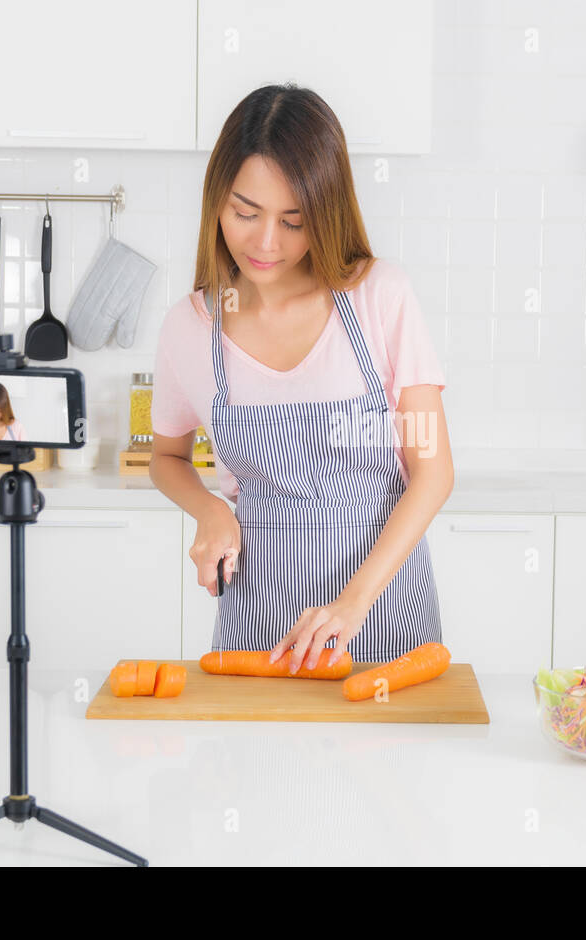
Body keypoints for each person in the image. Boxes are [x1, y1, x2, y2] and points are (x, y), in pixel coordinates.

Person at [149, 83, 453, 673]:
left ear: (326, 211)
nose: (265, 243)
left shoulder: (378, 298)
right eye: (245, 212)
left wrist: (351, 604)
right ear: (217, 199)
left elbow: (433, 472)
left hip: (383, 622)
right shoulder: (191, 328)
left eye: (294, 220)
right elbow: (167, 458)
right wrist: (211, 511)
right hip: (259, 632)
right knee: (256, 764)